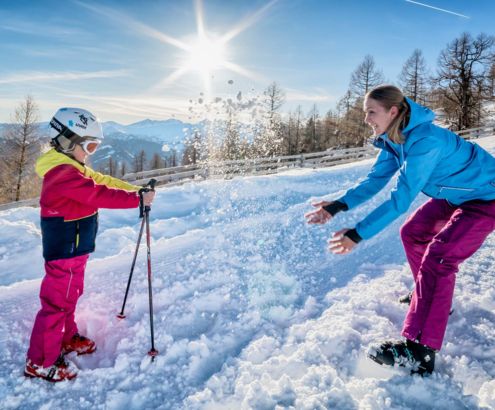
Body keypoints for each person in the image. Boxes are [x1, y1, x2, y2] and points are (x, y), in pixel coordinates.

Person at [305, 84, 495, 375]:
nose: (367, 118)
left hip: (486, 197)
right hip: (458, 194)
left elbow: (400, 199)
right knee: (413, 232)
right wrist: (336, 206)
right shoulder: (396, 138)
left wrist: (357, 234)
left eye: (372, 112)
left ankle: (419, 352)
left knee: (440, 257)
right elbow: (374, 180)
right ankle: (431, 300)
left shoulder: (426, 141)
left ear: (392, 111)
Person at [25, 108, 155, 382]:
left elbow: (103, 181)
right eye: (91, 146)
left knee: (69, 297)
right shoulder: (61, 174)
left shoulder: (73, 168)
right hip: (64, 252)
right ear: (69, 141)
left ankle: (66, 336)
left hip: (75, 250)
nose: (92, 153)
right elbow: (96, 193)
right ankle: (40, 361)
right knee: (56, 303)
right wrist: (135, 201)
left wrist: (135, 191)